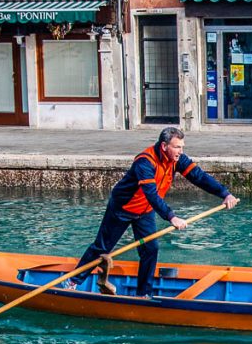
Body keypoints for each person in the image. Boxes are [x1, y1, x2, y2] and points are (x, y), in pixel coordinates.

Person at [63, 127, 239, 296]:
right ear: (164, 146)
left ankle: (143, 294)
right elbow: (151, 194)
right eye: (177, 147)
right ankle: (72, 282)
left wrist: (224, 193)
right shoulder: (145, 162)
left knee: (151, 249)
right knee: (103, 247)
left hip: (145, 211)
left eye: (182, 147)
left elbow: (199, 177)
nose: (180, 151)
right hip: (123, 208)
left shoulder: (177, 160)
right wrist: (172, 217)